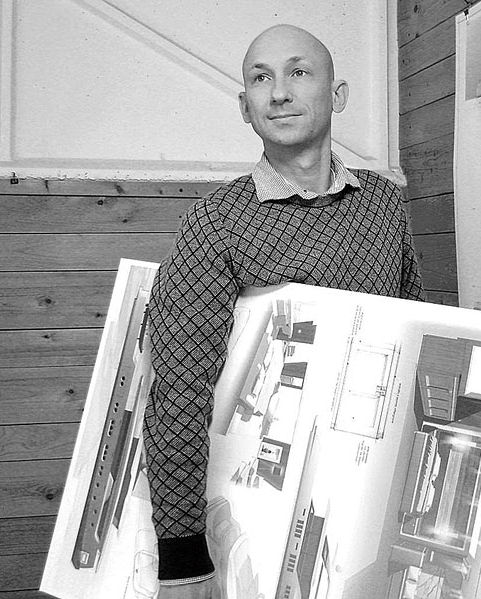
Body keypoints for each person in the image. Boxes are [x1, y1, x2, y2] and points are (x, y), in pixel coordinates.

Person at [143, 23, 425, 599]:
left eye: (298, 72)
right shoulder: (216, 221)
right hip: (262, 504)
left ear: (337, 95)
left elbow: (414, 329)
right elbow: (179, 387)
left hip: (369, 490)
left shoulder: (382, 203)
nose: (278, 92)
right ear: (244, 107)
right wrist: (182, 559)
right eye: (260, 78)